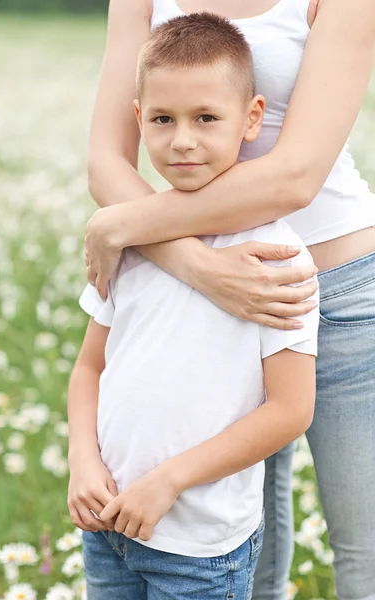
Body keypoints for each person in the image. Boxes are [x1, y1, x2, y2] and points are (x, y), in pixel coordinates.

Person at [82, 1, 375, 598]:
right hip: (193, 284)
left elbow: (294, 176)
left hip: (338, 288)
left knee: (364, 550)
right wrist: (199, 267)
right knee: (229, 537)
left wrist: (126, 226)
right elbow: (106, 158)